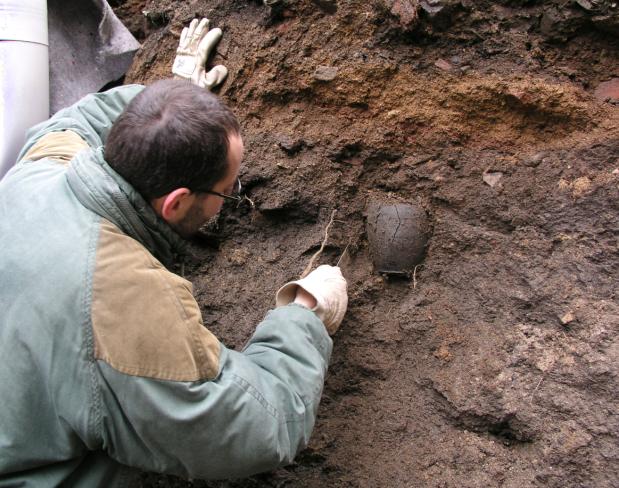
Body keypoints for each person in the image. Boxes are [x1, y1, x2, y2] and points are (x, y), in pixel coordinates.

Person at [0, 18, 348, 486]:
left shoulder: (43, 167)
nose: (229, 197)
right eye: (226, 192)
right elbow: (253, 428)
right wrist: (304, 316)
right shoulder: (119, 302)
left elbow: (79, 119)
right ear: (178, 203)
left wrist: (174, 99)